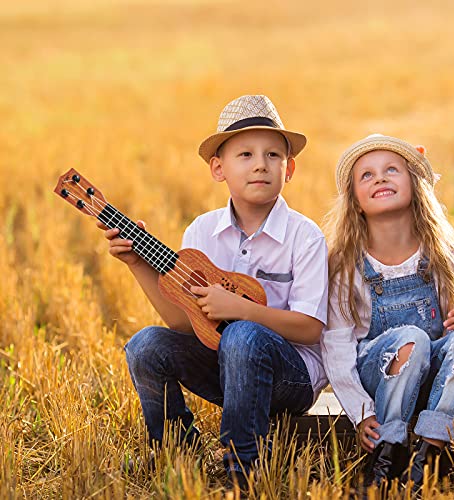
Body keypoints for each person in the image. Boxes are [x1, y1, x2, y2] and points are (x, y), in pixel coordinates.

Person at [97, 95, 329, 488]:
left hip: (291, 379)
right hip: (226, 369)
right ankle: (177, 454)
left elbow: (309, 329)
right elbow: (183, 323)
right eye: (245, 155)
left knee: (242, 333)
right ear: (218, 169)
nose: (260, 164)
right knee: (146, 344)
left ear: (289, 169)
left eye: (273, 154)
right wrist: (137, 263)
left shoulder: (304, 236)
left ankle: (244, 468)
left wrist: (241, 309)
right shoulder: (201, 233)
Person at [321, 134, 454, 491]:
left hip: (428, 379)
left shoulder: (441, 254)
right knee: (412, 339)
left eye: (391, 170)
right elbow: (335, 344)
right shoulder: (348, 264)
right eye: (366, 175)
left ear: (415, 185)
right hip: (378, 373)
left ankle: (432, 450)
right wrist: (361, 410)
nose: (379, 178)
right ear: (356, 202)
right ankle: (389, 447)